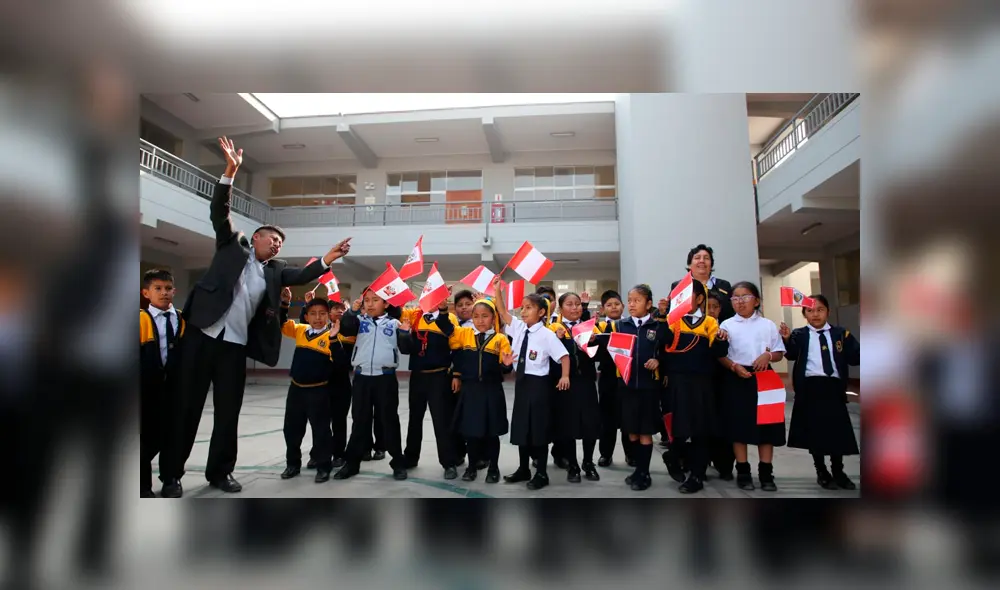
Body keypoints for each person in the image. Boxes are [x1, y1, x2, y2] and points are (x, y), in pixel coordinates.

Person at [158, 137, 352, 498]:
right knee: (185, 409)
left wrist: (328, 259)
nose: (276, 244)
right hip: (200, 336)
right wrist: (229, 173)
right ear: (256, 238)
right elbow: (220, 212)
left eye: (281, 243)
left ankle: (220, 472)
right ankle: (171, 475)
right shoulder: (232, 245)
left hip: (233, 347)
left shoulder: (276, 272)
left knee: (228, 414)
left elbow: (306, 273)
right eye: (271, 238)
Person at [493, 277, 570, 491]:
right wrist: (497, 290)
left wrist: (565, 376)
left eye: (529, 308)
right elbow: (501, 312)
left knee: (538, 430)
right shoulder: (518, 328)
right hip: (522, 383)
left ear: (542, 312)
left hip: (539, 386)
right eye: (522, 308)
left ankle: (542, 473)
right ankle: (523, 469)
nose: (523, 312)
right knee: (522, 428)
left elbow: (564, 357)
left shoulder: (547, 335)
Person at [780, 294, 861, 490]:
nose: (815, 314)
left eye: (820, 310)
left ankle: (839, 471)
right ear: (804, 313)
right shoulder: (799, 335)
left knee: (836, 432)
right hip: (809, 387)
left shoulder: (841, 334)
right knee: (815, 432)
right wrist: (786, 338)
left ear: (828, 312)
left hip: (833, 386)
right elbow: (790, 353)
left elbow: (855, 358)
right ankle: (821, 471)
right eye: (810, 310)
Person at [658, 280, 729, 493]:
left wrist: (721, 340)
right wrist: (662, 316)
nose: (682, 300)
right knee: (679, 429)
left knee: (701, 430)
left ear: (699, 299)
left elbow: (719, 352)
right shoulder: (672, 321)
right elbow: (662, 342)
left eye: (688, 295)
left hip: (702, 383)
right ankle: (673, 455)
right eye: (679, 296)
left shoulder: (709, 322)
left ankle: (696, 475)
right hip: (678, 383)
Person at [598, 284, 670, 491]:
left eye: (637, 300)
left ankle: (644, 473)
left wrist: (658, 361)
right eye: (629, 300)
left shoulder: (657, 326)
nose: (631, 304)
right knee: (631, 432)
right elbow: (613, 351)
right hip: (626, 386)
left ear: (649, 304)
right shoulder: (621, 326)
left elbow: (667, 350)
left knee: (645, 432)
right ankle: (638, 469)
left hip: (648, 387)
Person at [717, 281, 786, 492]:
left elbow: (779, 351)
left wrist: (768, 355)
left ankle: (766, 472)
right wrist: (734, 367)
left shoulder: (768, 325)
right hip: (738, 378)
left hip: (765, 379)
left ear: (756, 300)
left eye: (745, 297)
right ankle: (743, 471)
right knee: (739, 427)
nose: (740, 302)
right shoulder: (726, 325)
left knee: (767, 427)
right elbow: (720, 355)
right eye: (735, 298)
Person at [334, 289, 409, 481]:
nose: (370, 304)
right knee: (360, 422)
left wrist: (405, 334)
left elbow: (406, 349)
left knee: (389, 421)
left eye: (375, 300)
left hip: (385, 378)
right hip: (362, 379)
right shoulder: (359, 321)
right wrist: (352, 311)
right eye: (366, 300)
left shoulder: (395, 324)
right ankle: (352, 463)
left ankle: (398, 463)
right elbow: (346, 328)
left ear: (386, 303)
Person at [438, 297, 513, 483]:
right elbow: (447, 329)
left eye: (485, 316)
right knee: (471, 432)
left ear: (493, 317)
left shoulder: (500, 339)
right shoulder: (464, 334)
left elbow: (506, 368)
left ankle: (493, 468)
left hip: (492, 391)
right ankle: (471, 468)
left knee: (492, 432)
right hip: (470, 391)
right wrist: (442, 310)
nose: (480, 320)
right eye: (476, 316)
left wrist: (506, 365)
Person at [399, 297, 464, 480]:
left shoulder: (448, 317)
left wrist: (457, 374)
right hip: (418, 375)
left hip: (440, 376)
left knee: (442, 421)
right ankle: (411, 457)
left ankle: (448, 462)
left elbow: (456, 347)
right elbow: (406, 347)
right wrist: (404, 334)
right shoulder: (413, 316)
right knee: (414, 419)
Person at [277, 291, 338, 483]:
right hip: (296, 389)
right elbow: (280, 323)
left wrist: (336, 340)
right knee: (292, 429)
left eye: (322, 313)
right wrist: (285, 303)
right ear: (306, 316)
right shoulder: (300, 330)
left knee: (321, 431)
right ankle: (292, 465)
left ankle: (323, 466)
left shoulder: (332, 337)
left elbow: (341, 364)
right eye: (313, 313)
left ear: (328, 315)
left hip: (319, 391)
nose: (317, 318)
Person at [139, 269, 186, 498]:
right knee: (144, 438)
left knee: (174, 436)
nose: (164, 293)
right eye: (157, 288)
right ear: (146, 292)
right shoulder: (139, 320)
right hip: (147, 390)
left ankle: (171, 479)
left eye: (168, 288)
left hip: (175, 389)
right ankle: (142, 485)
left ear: (174, 291)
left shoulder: (182, 319)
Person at [549, 292, 602, 482]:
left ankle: (588, 462)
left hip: (586, 382)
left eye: (578, 304)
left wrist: (595, 344)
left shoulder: (590, 328)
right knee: (568, 426)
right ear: (560, 309)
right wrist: (558, 340)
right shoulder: (553, 329)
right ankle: (573, 465)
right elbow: (550, 359)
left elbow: (598, 358)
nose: (575, 308)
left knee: (590, 425)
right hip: (564, 384)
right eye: (569, 304)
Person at [595, 289, 632, 467]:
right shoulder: (600, 328)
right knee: (607, 418)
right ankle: (605, 454)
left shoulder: (629, 326)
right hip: (608, 377)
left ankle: (630, 454)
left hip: (627, 376)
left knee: (627, 416)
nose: (613, 307)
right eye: (609, 305)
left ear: (623, 306)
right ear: (603, 310)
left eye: (616, 304)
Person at [705, 292, 735, 480]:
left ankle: (725, 465)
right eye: (707, 307)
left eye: (715, 307)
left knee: (725, 424)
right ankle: (702, 462)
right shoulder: (696, 328)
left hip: (725, 382)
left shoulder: (726, 328)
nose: (712, 310)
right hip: (703, 383)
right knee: (704, 424)